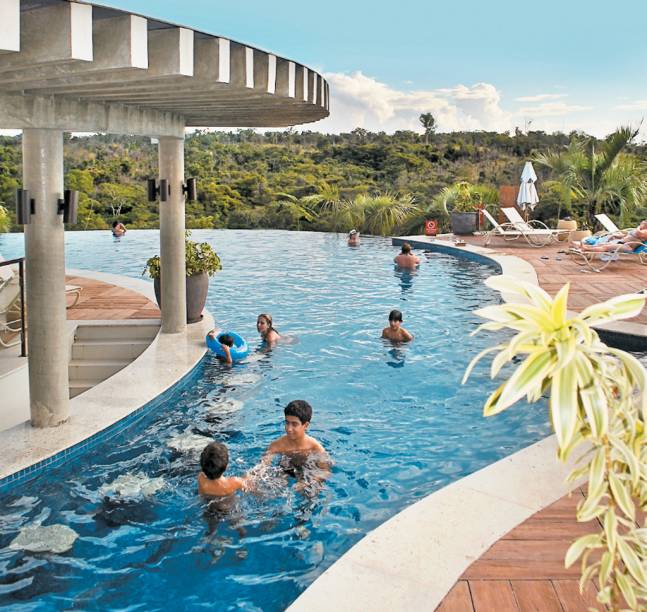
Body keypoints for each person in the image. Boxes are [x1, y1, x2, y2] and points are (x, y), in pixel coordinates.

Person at [262, 401, 330, 489]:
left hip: (308, 468)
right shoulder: (277, 445)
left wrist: (308, 482)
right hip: (286, 467)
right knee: (275, 486)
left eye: (294, 424)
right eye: (287, 423)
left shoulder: (315, 447)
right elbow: (263, 465)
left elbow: (326, 472)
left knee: (311, 492)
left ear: (306, 425)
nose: (289, 429)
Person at [573, 220, 647, 252]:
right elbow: (626, 235)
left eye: (642, 223)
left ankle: (586, 249)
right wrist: (615, 235)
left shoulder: (643, 231)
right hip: (622, 243)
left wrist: (639, 227)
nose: (640, 224)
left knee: (606, 247)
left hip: (628, 247)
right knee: (601, 244)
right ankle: (584, 247)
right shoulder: (639, 229)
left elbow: (638, 234)